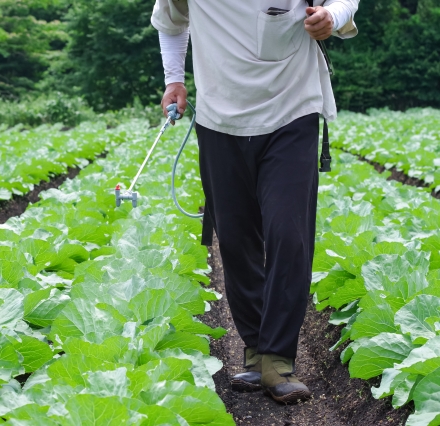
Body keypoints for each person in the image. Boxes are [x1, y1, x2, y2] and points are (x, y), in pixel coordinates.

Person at [151, 0, 359, 404]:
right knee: (235, 238)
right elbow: (171, 20)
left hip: (292, 110)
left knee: (288, 233)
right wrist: (173, 79)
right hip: (219, 119)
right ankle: (256, 351)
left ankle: (278, 359)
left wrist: (331, 18)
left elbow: (346, 3)